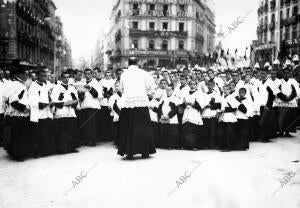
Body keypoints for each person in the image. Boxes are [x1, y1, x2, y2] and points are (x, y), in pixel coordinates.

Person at [118, 57, 156, 159]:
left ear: (128, 63)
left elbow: (120, 89)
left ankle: (129, 152)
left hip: (128, 103)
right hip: (141, 103)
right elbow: (152, 88)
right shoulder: (143, 73)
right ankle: (145, 152)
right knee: (143, 128)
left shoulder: (124, 74)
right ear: (138, 63)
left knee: (128, 128)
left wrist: (126, 96)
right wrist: (146, 94)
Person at [6, 67, 32, 161]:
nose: (27, 76)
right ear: (20, 75)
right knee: (18, 135)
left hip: (23, 113)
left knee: (22, 134)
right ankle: (18, 155)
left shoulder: (22, 84)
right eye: (25, 74)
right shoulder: (15, 85)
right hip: (17, 114)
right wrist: (24, 108)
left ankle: (21, 153)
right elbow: (12, 101)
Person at [51, 72, 79, 154]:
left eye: (68, 77)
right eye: (65, 77)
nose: (67, 79)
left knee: (71, 130)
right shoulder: (57, 87)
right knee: (62, 131)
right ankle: (62, 148)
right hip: (61, 111)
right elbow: (53, 100)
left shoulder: (72, 87)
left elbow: (76, 98)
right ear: (61, 78)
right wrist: (61, 100)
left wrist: (74, 100)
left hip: (70, 111)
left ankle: (71, 147)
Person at [28, 69, 54, 157]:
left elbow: (49, 96)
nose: (44, 78)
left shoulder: (45, 86)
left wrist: (51, 102)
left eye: (45, 76)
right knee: (37, 134)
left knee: (45, 133)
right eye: (42, 76)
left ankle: (45, 150)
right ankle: (36, 152)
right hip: (38, 114)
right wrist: (40, 104)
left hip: (46, 113)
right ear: (37, 76)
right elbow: (31, 101)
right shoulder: (33, 87)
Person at [78, 68, 102, 147]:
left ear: (92, 74)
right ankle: (86, 139)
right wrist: (80, 93)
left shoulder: (96, 83)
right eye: (86, 74)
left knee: (92, 124)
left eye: (89, 74)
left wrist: (90, 88)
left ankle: (93, 140)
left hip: (93, 105)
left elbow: (97, 95)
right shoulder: (82, 82)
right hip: (84, 105)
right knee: (85, 124)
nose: (87, 75)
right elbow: (81, 97)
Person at [182, 79, 207, 150]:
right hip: (187, 112)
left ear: (196, 85)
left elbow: (201, 105)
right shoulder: (186, 92)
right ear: (189, 85)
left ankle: (194, 145)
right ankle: (186, 145)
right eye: (191, 84)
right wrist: (185, 103)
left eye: (194, 84)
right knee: (186, 129)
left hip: (194, 112)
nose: (192, 85)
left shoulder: (199, 93)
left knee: (194, 130)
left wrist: (194, 104)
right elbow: (183, 102)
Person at [158, 85, 180, 149]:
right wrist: (161, 114)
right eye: (167, 90)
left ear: (172, 91)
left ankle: (171, 145)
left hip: (171, 117)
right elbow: (159, 108)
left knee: (171, 132)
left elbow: (175, 109)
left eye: (169, 90)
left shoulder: (175, 99)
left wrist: (169, 116)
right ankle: (164, 144)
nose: (168, 92)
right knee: (164, 131)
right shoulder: (163, 98)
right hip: (163, 116)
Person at [202, 79, 222, 149]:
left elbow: (219, 104)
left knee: (213, 129)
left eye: (211, 85)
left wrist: (211, 106)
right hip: (205, 113)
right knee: (205, 129)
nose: (209, 86)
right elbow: (202, 102)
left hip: (212, 113)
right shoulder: (204, 94)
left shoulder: (216, 94)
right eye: (208, 85)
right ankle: (206, 144)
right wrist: (204, 105)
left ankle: (212, 144)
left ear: (214, 85)